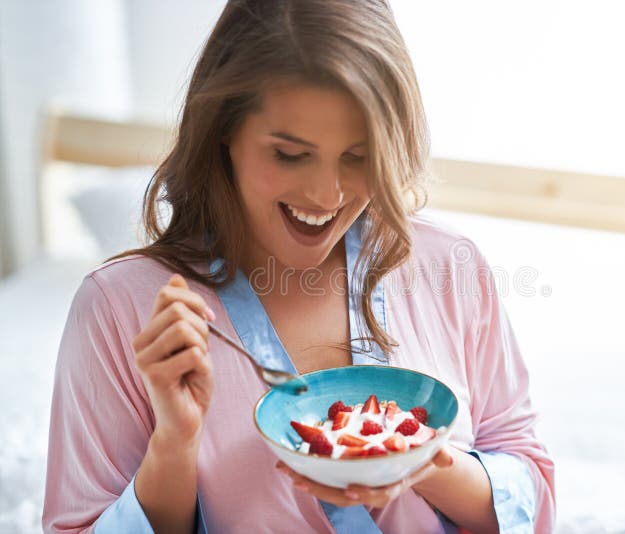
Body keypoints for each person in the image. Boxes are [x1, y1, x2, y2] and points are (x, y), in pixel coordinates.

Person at [42, 1, 555, 532]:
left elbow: (531, 489)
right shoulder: (119, 308)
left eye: (358, 156)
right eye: (290, 154)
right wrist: (173, 446)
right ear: (224, 130)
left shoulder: (451, 267)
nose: (326, 194)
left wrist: (418, 459)